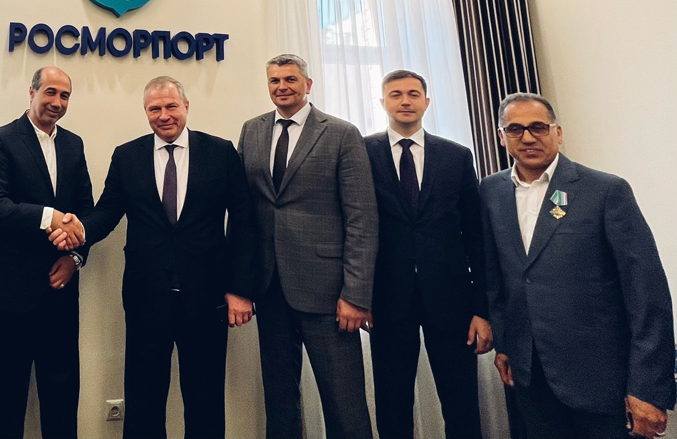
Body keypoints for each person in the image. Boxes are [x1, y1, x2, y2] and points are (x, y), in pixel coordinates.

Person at [76, 76, 260, 439]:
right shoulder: (127, 156)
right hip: (146, 298)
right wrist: (77, 230)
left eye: (171, 106)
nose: (163, 115)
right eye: (154, 108)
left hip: (207, 298)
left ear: (186, 107)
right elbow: (107, 212)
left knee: (205, 399)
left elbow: (244, 222)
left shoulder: (221, 152)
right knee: (143, 399)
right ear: (146, 112)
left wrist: (241, 289)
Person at [483, 92, 674, 439]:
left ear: (558, 132)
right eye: (515, 129)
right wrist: (506, 344)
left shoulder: (604, 190)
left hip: (602, 379)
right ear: (501, 136)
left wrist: (648, 386)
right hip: (531, 377)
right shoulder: (491, 192)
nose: (528, 137)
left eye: (538, 127)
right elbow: (497, 277)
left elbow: (647, 292)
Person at [237, 54, 378, 439]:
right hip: (270, 288)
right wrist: (242, 283)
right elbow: (245, 212)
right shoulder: (252, 130)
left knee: (344, 402)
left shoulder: (341, 133)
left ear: (308, 84)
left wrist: (356, 294)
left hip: (329, 293)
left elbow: (362, 218)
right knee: (280, 400)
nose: (282, 87)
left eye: (290, 79)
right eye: (274, 81)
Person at [364, 70, 489, 439]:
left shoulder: (456, 155)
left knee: (461, 402)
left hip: (452, 300)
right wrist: (358, 296)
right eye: (396, 94)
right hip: (386, 298)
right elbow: (352, 229)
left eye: (413, 94)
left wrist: (482, 309)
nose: (405, 100)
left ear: (426, 102)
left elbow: (476, 237)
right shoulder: (361, 152)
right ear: (382, 102)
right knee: (392, 403)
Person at [0, 66, 93, 439]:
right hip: (9, 295)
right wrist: (49, 218)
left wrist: (75, 258)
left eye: (65, 95)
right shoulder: (0, 140)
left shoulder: (74, 144)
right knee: (8, 399)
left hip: (61, 296)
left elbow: (85, 214)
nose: (57, 102)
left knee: (63, 398)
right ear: (32, 92)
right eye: (50, 92)